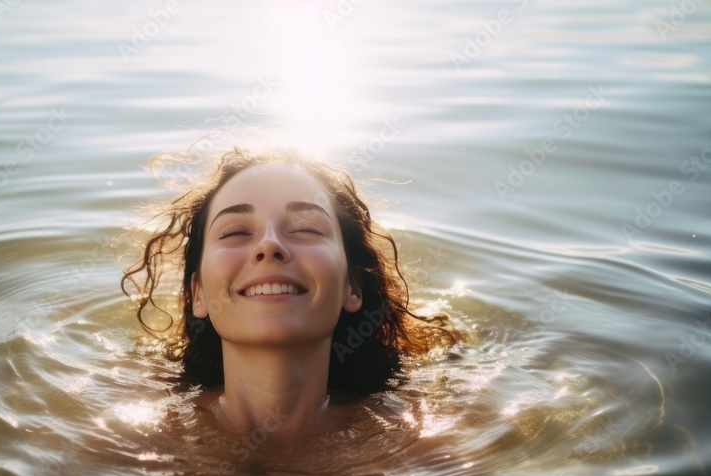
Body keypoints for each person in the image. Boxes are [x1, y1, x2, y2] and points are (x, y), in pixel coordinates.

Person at [121, 147, 463, 443]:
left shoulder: (418, 442)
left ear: (352, 287)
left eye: (306, 229)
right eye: (237, 232)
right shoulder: (138, 437)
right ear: (199, 294)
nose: (270, 245)